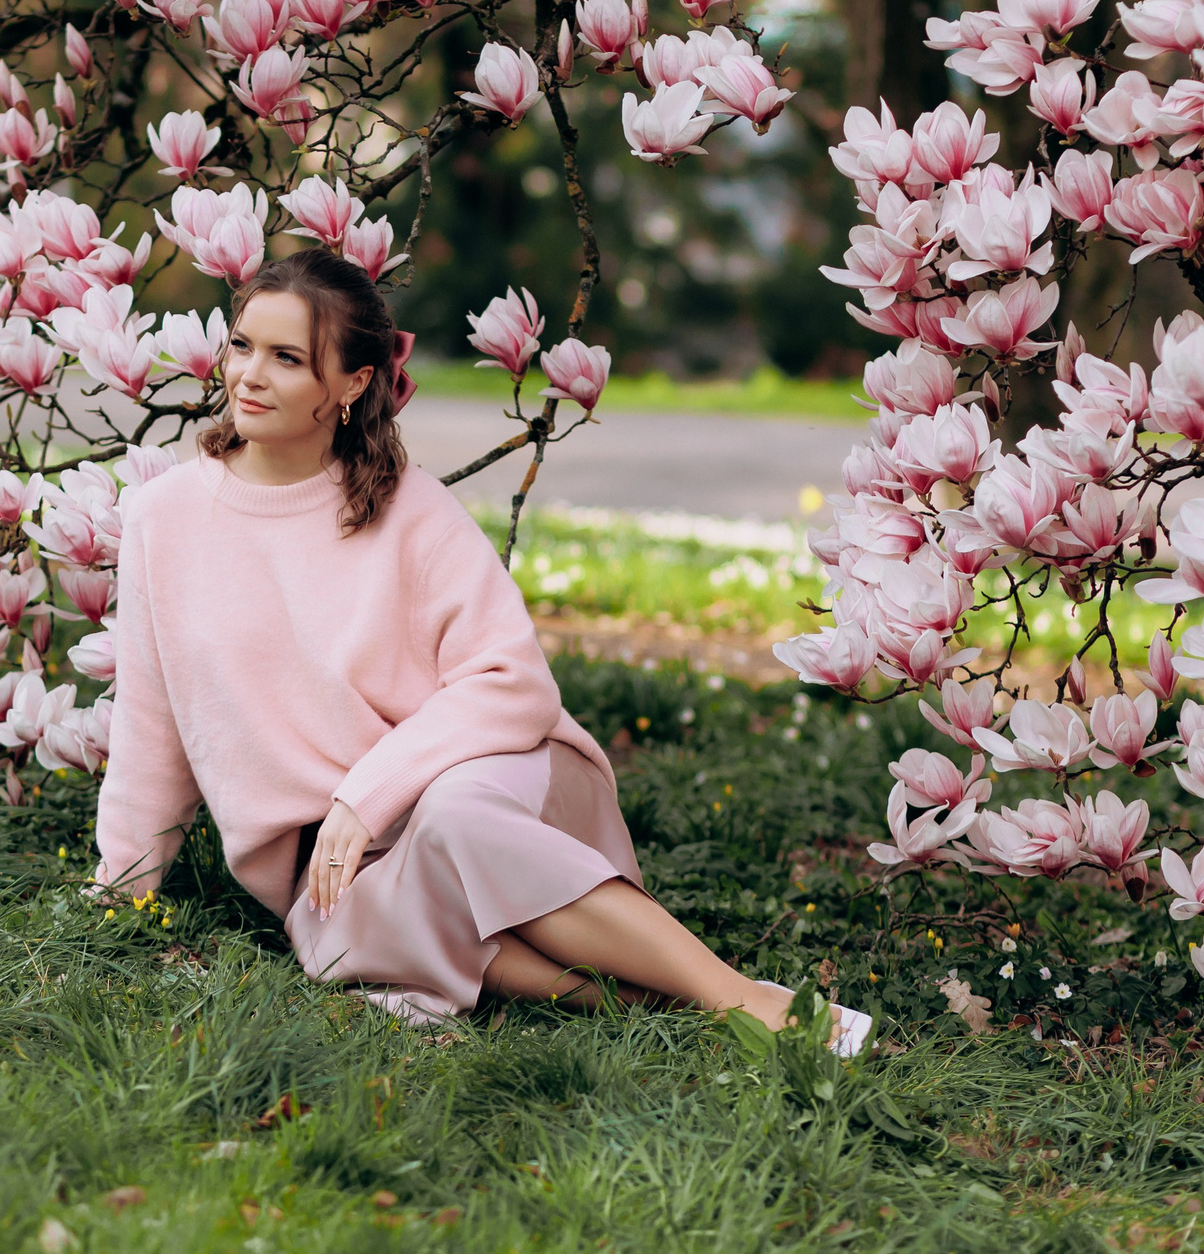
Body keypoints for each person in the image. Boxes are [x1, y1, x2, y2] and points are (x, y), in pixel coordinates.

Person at [86, 248, 871, 1053]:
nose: (249, 374)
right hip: (335, 869)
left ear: (353, 383)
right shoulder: (163, 518)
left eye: (287, 358)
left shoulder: (406, 507)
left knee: (455, 822)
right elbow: (151, 728)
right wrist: (118, 893)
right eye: (243, 344)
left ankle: (751, 1004)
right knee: (377, 921)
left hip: (476, 779)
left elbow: (515, 682)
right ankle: (682, 1005)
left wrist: (368, 793)